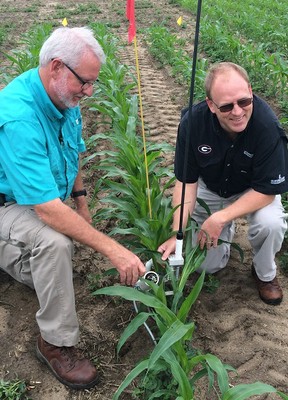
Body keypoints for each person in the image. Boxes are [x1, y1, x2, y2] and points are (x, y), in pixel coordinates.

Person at [0, 27, 146, 390]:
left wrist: (81, 201)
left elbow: (73, 149)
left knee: (54, 256)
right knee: (55, 244)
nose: (90, 91)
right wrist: (114, 249)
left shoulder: (64, 98)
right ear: (55, 68)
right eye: (85, 82)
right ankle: (54, 342)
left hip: (36, 199)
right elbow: (47, 210)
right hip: (9, 204)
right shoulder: (19, 116)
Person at [158, 62, 288, 306]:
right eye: (227, 106)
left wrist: (219, 218)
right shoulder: (193, 124)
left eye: (244, 102)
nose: (237, 112)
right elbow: (186, 183)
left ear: (251, 91)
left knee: (270, 224)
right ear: (211, 105)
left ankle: (264, 273)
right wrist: (177, 235)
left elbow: (267, 192)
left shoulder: (267, 127)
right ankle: (222, 241)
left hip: (254, 190)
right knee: (207, 266)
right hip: (212, 187)